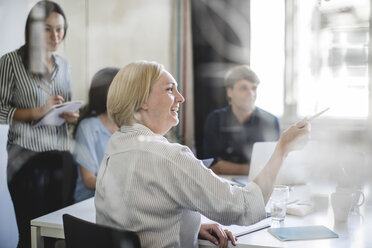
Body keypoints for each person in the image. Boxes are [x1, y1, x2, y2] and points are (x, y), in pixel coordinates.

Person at [95, 60, 310, 248]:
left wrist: (190, 226)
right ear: (142, 99)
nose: (181, 98)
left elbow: (138, 216)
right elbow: (244, 207)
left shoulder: (115, 145)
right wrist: (282, 149)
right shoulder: (168, 156)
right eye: (170, 89)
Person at [0, 1, 78, 247]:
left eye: (60, 29)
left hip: (60, 157)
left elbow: (62, 106)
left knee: (58, 233)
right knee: (30, 233)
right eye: (47, 29)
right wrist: (38, 111)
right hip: (25, 159)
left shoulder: (64, 65)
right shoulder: (11, 62)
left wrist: (69, 114)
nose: (56, 36)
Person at [203, 65, 280, 175]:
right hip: (222, 184)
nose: (251, 94)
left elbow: (274, 165)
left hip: (258, 184)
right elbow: (213, 166)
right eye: (243, 88)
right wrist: (255, 169)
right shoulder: (215, 120)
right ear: (230, 92)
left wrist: (227, 166)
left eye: (254, 88)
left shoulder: (271, 121)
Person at [73, 67, 119, 202]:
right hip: (89, 202)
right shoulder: (88, 127)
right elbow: (88, 180)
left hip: (119, 202)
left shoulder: (129, 125)